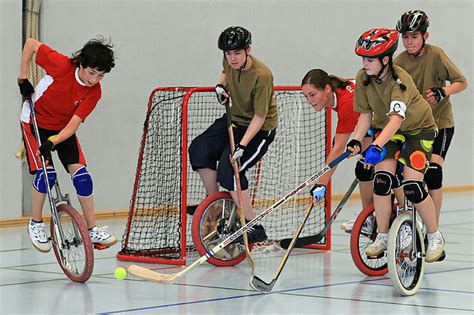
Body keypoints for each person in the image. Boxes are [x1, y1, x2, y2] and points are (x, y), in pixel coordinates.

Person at [347, 28, 444, 262]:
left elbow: (396, 119)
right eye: (363, 59)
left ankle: (434, 236)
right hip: (389, 132)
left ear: (385, 59)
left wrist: (377, 145)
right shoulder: (363, 78)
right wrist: (356, 139)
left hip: (418, 130)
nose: (365, 63)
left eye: (370, 59)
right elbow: (364, 116)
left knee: (412, 185)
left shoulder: (399, 81)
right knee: (381, 180)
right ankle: (382, 235)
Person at [18, 37, 117, 252]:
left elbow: (73, 126)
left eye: (101, 75)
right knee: (47, 175)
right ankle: (35, 223)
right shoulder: (61, 65)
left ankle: (91, 230)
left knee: (83, 177)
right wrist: (22, 77)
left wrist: (54, 140)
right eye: (92, 73)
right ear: (81, 65)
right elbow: (31, 44)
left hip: (62, 130)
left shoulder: (94, 92)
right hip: (34, 122)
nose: (95, 79)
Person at [188, 26, 278, 243]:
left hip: (259, 130)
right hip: (234, 121)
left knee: (231, 169)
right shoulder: (228, 62)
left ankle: (252, 224)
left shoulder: (262, 75)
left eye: (237, 53)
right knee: (199, 148)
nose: (233, 58)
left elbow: (259, 116)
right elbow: (224, 72)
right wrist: (220, 85)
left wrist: (242, 146)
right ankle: (216, 206)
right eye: (228, 54)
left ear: (248, 50)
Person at [394, 10, 468, 226]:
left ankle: (432, 229)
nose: (409, 42)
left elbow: (461, 82)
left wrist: (443, 92)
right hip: (414, 127)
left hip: (441, 124)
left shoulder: (436, 55)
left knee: (433, 173)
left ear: (425, 37)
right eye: (405, 37)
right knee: (400, 173)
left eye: (414, 37)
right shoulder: (398, 62)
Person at [300, 69, 374, 232]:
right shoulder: (338, 89)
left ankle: (371, 218)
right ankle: (372, 215)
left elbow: (338, 149)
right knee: (364, 168)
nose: (309, 101)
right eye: (306, 96)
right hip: (373, 122)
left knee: (368, 168)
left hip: (394, 123)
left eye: (312, 95)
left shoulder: (346, 102)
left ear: (327, 88)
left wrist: (321, 184)